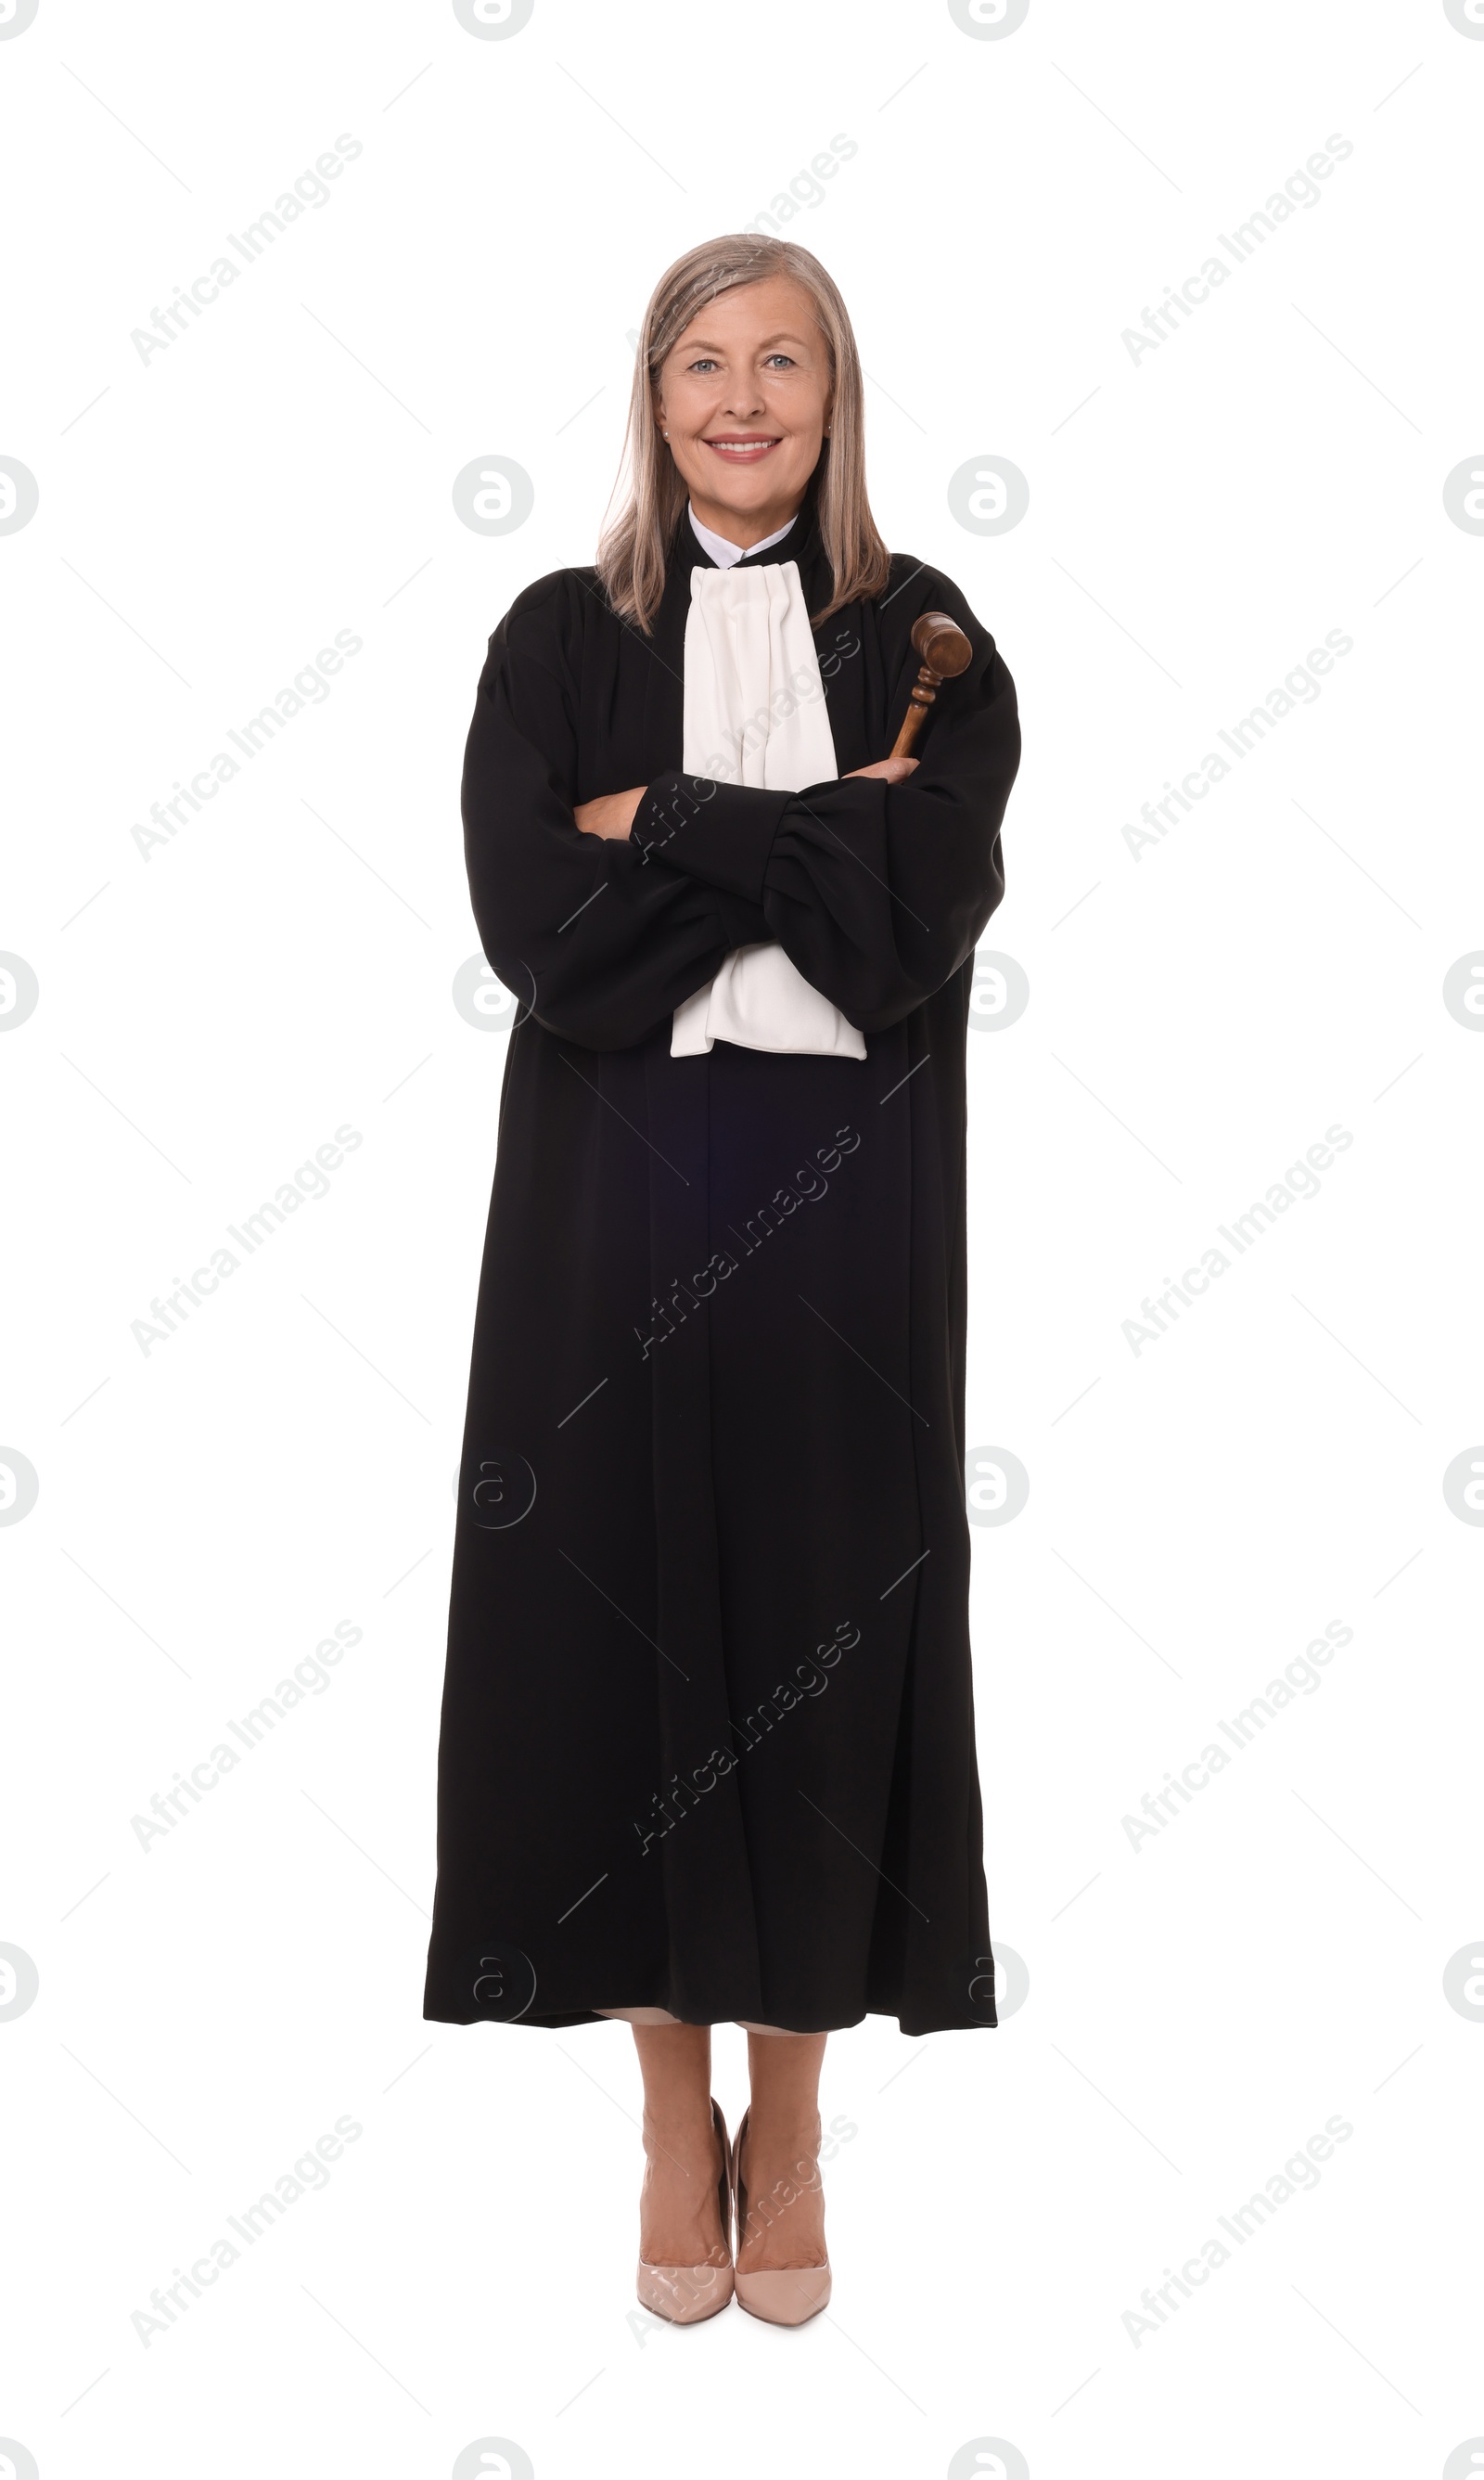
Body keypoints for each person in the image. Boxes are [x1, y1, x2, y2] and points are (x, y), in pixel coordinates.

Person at [423, 233, 1020, 2325]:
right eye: (702, 364)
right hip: (614, 1181)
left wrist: (662, 814)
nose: (740, 401)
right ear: (650, 393)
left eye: (782, 363)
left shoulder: (928, 642)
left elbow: (903, 933)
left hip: (846, 1193)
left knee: (819, 1619)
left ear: (835, 393)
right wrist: (802, 839)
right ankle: (673, 2111)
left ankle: (799, 2100)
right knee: (608, 1608)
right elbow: (547, 939)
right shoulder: (553, 632)